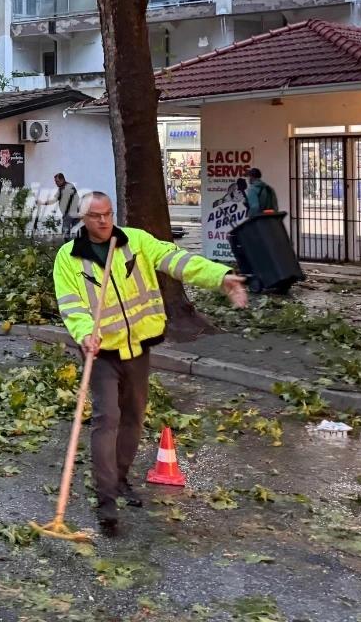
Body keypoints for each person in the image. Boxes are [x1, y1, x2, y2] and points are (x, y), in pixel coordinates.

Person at [52, 192, 247, 536]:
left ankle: (120, 479)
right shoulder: (69, 258)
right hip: (101, 352)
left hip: (138, 347)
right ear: (83, 218)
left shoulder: (136, 242)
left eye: (108, 214)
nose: (103, 220)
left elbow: (177, 260)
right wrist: (84, 333)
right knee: (107, 419)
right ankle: (106, 503)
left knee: (133, 417)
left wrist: (220, 277)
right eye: (96, 216)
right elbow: (71, 305)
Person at [41, 173, 80, 240]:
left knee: (66, 232)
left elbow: (70, 198)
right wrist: (43, 203)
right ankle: (77, 244)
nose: (56, 183)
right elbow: (54, 200)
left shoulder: (68, 187)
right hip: (72, 213)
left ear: (62, 180)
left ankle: (71, 245)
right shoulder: (61, 189)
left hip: (70, 213)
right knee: (76, 231)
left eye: (57, 181)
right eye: (55, 181)